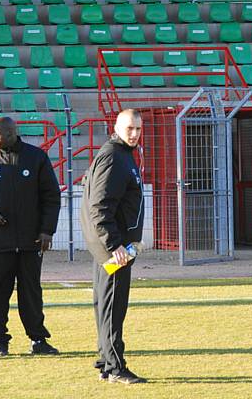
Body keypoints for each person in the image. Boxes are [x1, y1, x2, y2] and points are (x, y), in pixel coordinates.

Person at [0, 117, 61, 357]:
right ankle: (0, 341)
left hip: (32, 241)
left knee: (31, 292)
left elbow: (51, 196)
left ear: (12, 132)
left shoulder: (36, 157)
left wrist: (46, 231)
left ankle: (38, 340)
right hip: (1, 243)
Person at [80, 109, 147, 384]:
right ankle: (116, 367)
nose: (134, 134)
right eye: (130, 128)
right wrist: (114, 244)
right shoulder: (113, 157)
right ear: (117, 127)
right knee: (112, 306)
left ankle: (106, 363)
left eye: (138, 129)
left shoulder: (122, 155)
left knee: (108, 305)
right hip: (114, 250)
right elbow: (99, 206)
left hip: (114, 248)